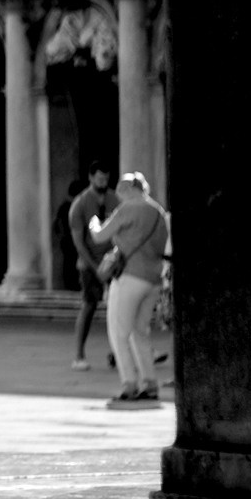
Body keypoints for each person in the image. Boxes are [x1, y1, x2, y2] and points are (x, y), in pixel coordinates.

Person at [95, 170, 170, 404]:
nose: (119, 197)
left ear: (128, 190)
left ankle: (129, 384)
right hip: (153, 279)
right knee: (140, 332)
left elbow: (100, 236)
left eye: (120, 192)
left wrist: (93, 223)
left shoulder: (129, 209)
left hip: (129, 277)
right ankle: (150, 384)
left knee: (119, 332)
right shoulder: (158, 212)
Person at [67, 165, 114, 370]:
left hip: (113, 261)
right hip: (88, 264)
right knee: (89, 306)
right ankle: (79, 355)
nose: (102, 183)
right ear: (90, 177)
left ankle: (117, 352)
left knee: (118, 309)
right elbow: (79, 242)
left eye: (105, 179)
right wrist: (95, 268)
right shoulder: (80, 204)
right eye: (99, 179)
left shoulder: (116, 199)